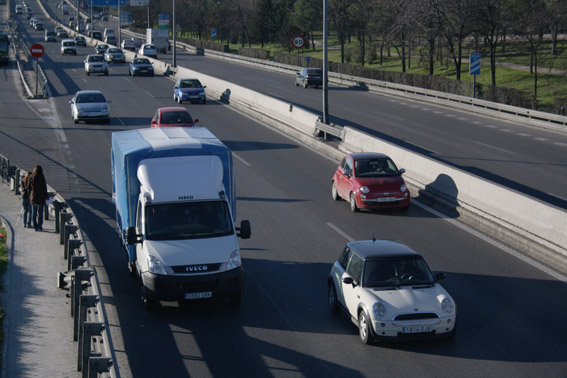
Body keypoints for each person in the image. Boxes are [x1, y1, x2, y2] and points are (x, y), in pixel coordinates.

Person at [27, 165, 48, 231]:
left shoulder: (31, 176)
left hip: (33, 196)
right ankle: (40, 226)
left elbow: (28, 187)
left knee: (34, 212)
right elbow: (44, 187)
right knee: (40, 212)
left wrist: (29, 195)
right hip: (41, 196)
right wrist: (45, 195)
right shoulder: (41, 176)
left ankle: (35, 226)